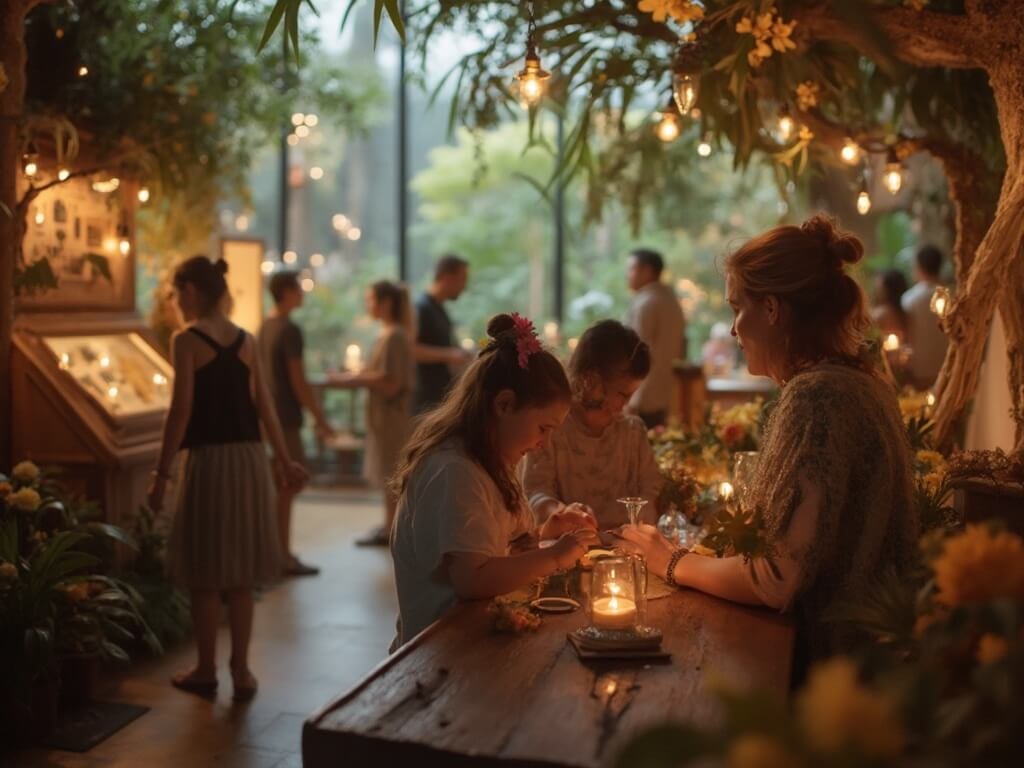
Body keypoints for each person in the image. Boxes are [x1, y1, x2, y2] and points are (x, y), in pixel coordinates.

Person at [616, 215, 917, 681]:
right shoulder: (860, 383)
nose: (734, 329)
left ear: (772, 310)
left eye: (738, 307)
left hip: (829, 674)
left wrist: (671, 561)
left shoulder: (817, 396)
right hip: (871, 661)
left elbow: (776, 578)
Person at [148, 256, 308, 702]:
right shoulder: (246, 340)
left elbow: (180, 412)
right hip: (248, 461)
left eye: (177, 293)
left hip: (208, 462)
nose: (176, 302)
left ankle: (205, 668)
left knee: (204, 572)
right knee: (239, 574)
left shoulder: (186, 341)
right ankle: (241, 669)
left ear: (193, 292)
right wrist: (283, 458)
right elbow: (266, 407)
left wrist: (161, 473)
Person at [389, 313, 599, 649]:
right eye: (543, 428)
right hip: (438, 651)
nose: (543, 443)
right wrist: (556, 556)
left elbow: (493, 545)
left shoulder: (493, 459)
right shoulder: (455, 470)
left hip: (476, 635)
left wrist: (548, 533)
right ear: (504, 405)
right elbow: (473, 577)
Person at [523, 319, 662, 529]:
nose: (627, 404)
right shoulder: (551, 430)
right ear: (591, 380)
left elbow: (651, 490)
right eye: (622, 394)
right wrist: (563, 514)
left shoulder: (632, 432)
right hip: (567, 548)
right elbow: (535, 492)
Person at [328, 280, 415, 547]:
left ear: (386, 303)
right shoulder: (389, 334)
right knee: (387, 469)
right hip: (384, 416)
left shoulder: (395, 336)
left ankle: (392, 528)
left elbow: (392, 383)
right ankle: (389, 526)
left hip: (392, 417)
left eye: (371, 299)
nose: (368, 305)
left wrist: (353, 379)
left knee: (391, 470)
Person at [258, 271, 334, 577]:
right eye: (299, 289)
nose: (302, 294)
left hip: (266, 416)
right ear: (287, 292)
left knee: (278, 485)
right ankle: (282, 556)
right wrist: (320, 418)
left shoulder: (264, 326)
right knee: (288, 484)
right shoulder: (289, 330)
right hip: (286, 418)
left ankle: (275, 552)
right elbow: (298, 380)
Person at [626, 248, 685, 429]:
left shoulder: (647, 302)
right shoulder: (671, 301)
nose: (628, 275)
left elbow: (635, 351)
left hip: (641, 394)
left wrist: (629, 395)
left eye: (632, 269)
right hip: (663, 392)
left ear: (648, 271)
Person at [414, 254, 472, 413]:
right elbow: (411, 350)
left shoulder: (438, 309)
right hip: (425, 399)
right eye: (462, 278)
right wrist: (449, 354)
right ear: (447, 277)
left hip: (436, 396)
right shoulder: (422, 308)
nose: (464, 286)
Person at [901, 245, 949, 389]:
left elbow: (908, 335)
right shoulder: (952, 296)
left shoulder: (910, 299)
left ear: (919, 266)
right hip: (947, 366)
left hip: (921, 369)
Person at [871, 268, 909, 342]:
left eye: (878, 287)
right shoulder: (906, 311)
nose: (875, 291)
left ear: (887, 290)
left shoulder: (881, 314)